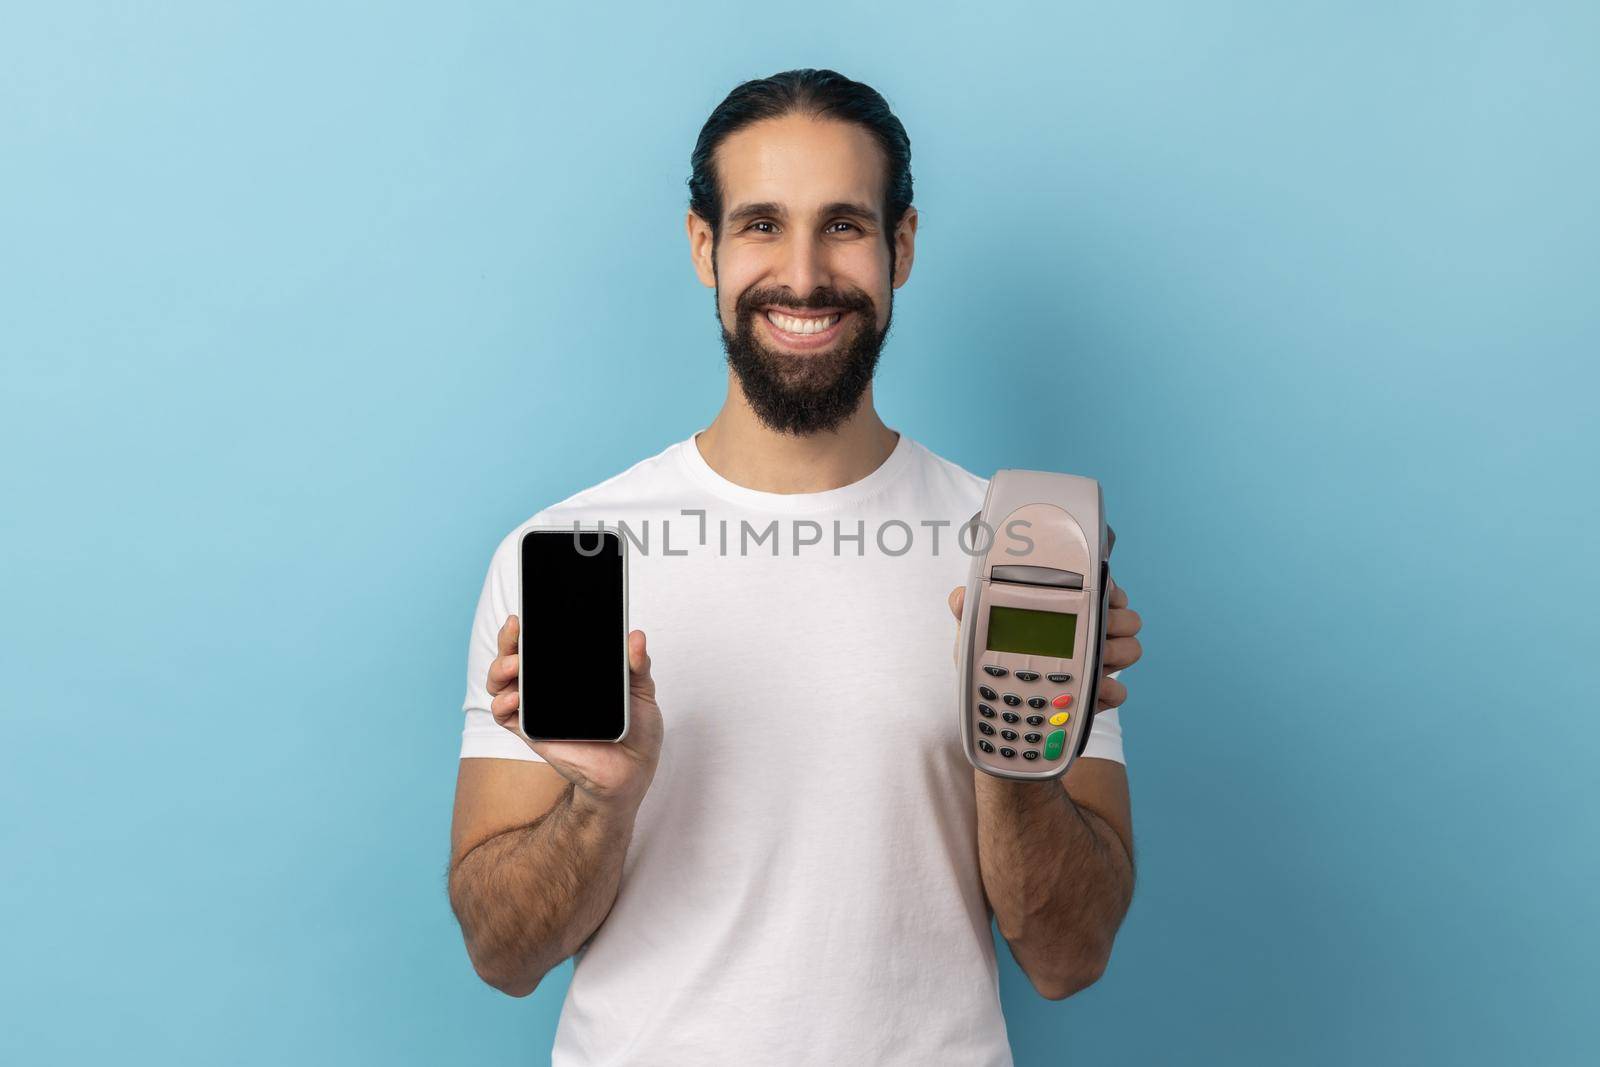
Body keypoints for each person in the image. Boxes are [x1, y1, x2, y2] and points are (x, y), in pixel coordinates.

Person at [446, 68, 1143, 1066]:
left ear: (901, 245)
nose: (805, 274)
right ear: (706, 247)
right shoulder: (568, 557)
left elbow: (1069, 957)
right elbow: (501, 954)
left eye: (845, 226)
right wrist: (603, 799)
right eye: (763, 224)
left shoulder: (1028, 554)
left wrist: (1013, 765)